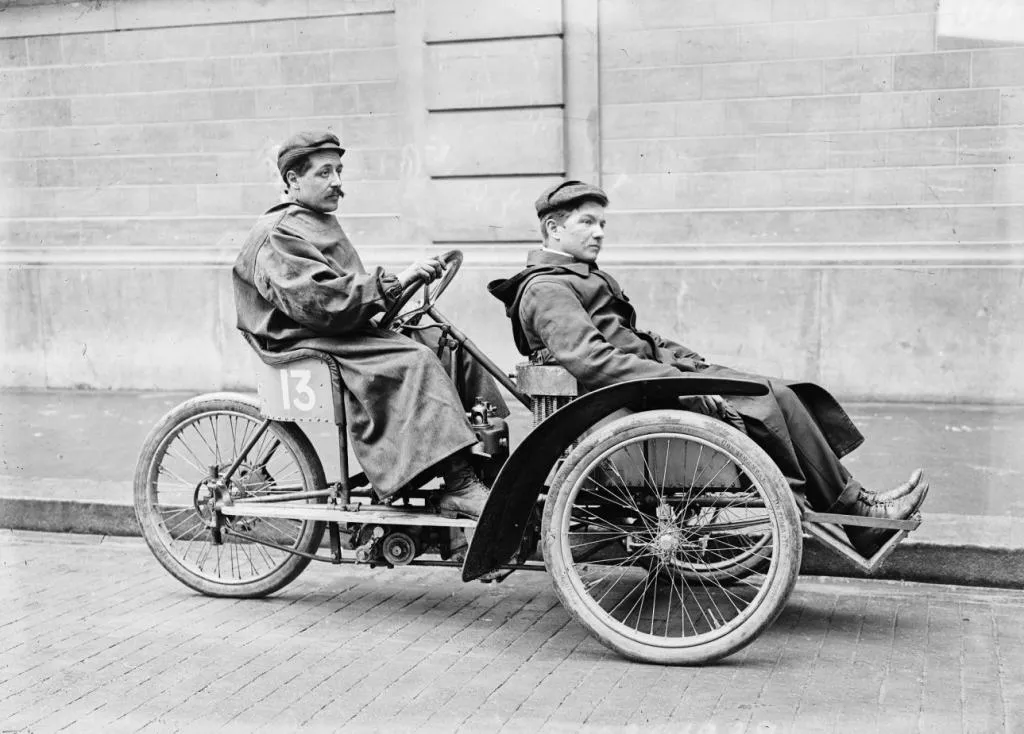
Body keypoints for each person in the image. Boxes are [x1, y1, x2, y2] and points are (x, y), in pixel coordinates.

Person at [488, 180, 928, 558]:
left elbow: (631, 338)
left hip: (647, 384)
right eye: (587, 222)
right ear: (553, 227)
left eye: (602, 223)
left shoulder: (576, 277)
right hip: (625, 404)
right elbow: (594, 361)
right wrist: (679, 380)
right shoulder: (547, 288)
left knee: (783, 391)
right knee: (765, 399)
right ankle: (858, 515)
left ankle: (857, 504)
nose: (600, 233)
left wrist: (686, 360)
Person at [233, 131, 506, 520]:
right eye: (324, 172)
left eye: (339, 171)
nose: (338, 182)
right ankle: (460, 484)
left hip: (334, 329)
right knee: (416, 359)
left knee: (447, 344)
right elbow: (321, 303)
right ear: (293, 180)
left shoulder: (314, 221)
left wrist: (395, 291)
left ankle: (485, 465)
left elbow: (344, 298)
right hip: (303, 339)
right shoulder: (280, 233)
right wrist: (391, 283)